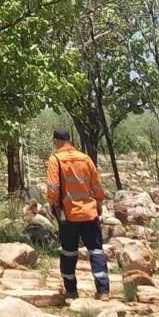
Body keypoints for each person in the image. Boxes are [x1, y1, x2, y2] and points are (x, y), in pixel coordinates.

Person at [46, 126, 110, 300]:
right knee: (96, 251)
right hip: (89, 213)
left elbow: (53, 187)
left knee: (69, 252)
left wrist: (53, 204)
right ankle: (103, 291)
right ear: (70, 141)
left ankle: (72, 291)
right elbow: (96, 184)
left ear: (56, 142)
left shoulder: (56, 159)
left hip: (68, 214)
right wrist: (99, 202)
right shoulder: (85, 158)